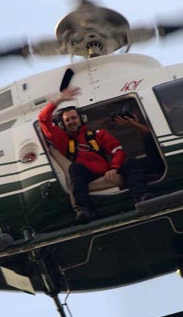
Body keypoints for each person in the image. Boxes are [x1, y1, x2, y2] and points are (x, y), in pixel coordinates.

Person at [39, 87, 153, 223]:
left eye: (74, 118)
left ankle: (141, 197)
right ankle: (83, 210)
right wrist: (59, 99)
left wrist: (114, 168)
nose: (71, 121)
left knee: (131, 163)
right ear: (63, 125)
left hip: (107, 172)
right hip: (86, 176)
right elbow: (43, 119)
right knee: (75, 169)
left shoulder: (98, 134)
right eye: (67, 120)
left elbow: (117, 150)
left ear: (81, 119)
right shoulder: (62, 140)